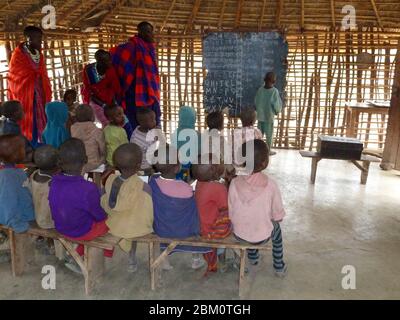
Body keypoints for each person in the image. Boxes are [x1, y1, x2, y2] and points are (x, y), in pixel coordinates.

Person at [48, 138, 112, 273]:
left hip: (60, 226)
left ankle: (76, 254)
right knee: (110, 222)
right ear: (85, 159)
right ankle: (89, 256)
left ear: (59, 162)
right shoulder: (89, 188)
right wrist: (107, 216)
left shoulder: (54, 181)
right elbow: (99, 216)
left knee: (84, 217)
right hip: (80, 231)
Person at [228, 139, 287, 277]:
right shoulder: (271, 185)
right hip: (262, 236)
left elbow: (231, 212)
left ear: (242, 162)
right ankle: (279, 267)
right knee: (276, 231)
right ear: (265, 163)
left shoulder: (234, 183)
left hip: (239, 235)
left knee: (247, 220)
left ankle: (253, 258)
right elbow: (278, 215)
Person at [150, 145, 208, 270]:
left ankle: (164, 260)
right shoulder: (184, 187)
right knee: (194, 214)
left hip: (162, 228)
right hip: (184, 231)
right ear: (177, 168)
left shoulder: (153, 183)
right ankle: (196, 259)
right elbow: (190, 206)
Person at [101, 143, 153, 273]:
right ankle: (132, 258)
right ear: (139, 165)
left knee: (127, 220)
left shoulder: (110, 180)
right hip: (134, 227)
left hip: (113, 225)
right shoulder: (143, 186)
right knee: (134, 222)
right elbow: (148, 210)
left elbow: (104, 199)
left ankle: (128, 258)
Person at [110, 21, 161, 131]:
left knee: (152, 123)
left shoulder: (149, 48)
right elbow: (115, 56)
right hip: (135, 92)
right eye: (147, 32)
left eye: (151, 32)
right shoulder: (132, 46)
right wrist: (129, 76)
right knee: (137, 125)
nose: (151, 35)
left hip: (150, 92)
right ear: (140, 32)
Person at [7, 26, 52, 147]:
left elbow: (43, 73)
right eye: (38, 39)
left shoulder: (39, 54)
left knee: (42, 121)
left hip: (39, 94)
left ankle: (41, 147)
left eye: (41, 39)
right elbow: (15, 76)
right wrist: (31, 81)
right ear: (28, 39)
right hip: (25, 95)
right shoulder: (18, 55)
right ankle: (28, 148)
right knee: (28, 122)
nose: (40, 42)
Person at [192, 154, 232, 273]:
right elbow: (225, 208)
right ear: (214, 171)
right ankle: (222, 260)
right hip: (211, 229)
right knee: (231, 221)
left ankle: (203, 256)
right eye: (220, 163)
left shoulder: (199, 183)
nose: (222, 165)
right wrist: (229, 183)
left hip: (200, 226)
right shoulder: (218, 188)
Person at [0, 135, 35, 233]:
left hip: (20, 211)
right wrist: (17, 224)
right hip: (17, 218)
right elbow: (7, 202)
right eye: (22, 148)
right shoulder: (8, 176)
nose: (25, 150)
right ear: (15, 154)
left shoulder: (12, 169)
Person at [82, 49, 122, 127]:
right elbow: (90, 91)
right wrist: (104, 105)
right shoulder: (89, 71)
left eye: (110, 59)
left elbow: (114, 88)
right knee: (108, 124)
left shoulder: (111, 70)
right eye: (107, 60)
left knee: (117, 121)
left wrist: (112, 105)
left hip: (109, 99)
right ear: (99, 61)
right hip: (95, 101)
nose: (110, 62)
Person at [71, 104, 106, 173]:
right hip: (93, 163)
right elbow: (102, 148)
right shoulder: (96, 130)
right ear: (92, 117)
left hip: (78, 163)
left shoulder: (73, 128)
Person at [30, 145, 58, 229]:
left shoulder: (33, 175)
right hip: (50, 222)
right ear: (57, 164)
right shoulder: (53, 183)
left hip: (37, 216)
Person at [130, 108, 165, 174]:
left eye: (154, 119)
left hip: (147, 163)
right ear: (142, 122)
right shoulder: (141, 139)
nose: (155, 122)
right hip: (144, 167)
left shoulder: (142, 129)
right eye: (151, 120)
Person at [254, 72, 282, 154]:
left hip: (260, 117)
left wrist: (258, 109)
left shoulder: (260, 90)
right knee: (269, 135)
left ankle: (259, 150)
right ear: (274, 81)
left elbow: (256, 102)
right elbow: (277, 104)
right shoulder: (274, 91)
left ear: (265, 80)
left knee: (259, 135)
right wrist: (277, 111)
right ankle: (268, 150)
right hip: (269, 117)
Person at [171, 106, 200, 182]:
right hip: (191, 166)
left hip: (177, 164)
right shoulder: (196, 134)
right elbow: (200, 151)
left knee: (178, 182)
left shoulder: (175, 133)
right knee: (188, 183)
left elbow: (173, 149)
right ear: (193, 119)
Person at [233, 106, 263, 175]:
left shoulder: (235, 132)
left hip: (238, 167)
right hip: (254, 168)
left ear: (241, 119)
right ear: (254, 120)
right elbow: (260, 150)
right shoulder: (257, 132)